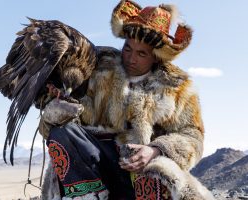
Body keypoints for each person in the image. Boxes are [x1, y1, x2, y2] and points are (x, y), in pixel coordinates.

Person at [39, 1, 215, 199]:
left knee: (157, 173)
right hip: (95, 165)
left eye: (141, 53)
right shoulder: (99, 69)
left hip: (141, 171)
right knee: (62, 132)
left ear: (156, 57)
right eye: (128, 48)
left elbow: (193, 137)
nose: (131, 58)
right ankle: (87, 196)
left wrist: (156, 150)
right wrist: (57, 105)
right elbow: (71, 117)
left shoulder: (178, 88)